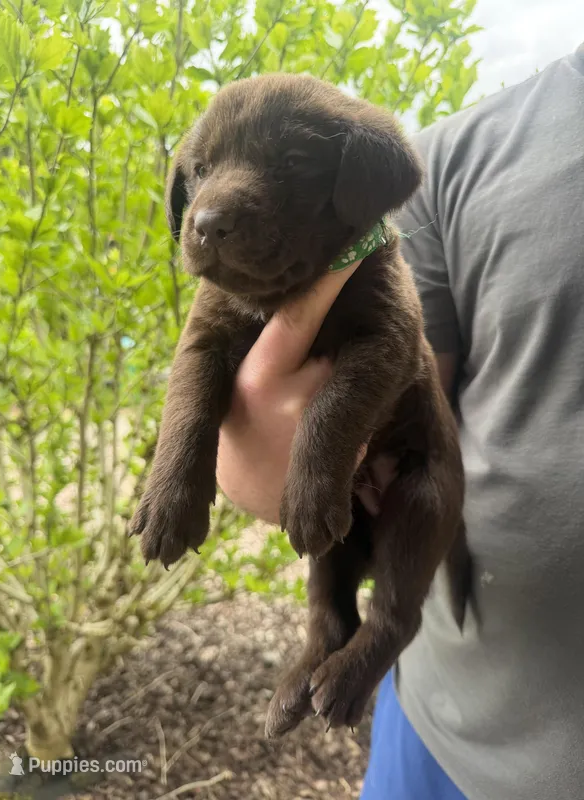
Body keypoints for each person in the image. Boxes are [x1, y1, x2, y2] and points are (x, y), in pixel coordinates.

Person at [216, 42, 584, 799]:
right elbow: (415, 402)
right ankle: (334, 631)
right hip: (443, 726)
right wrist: (260, 461)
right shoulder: (462, 154)